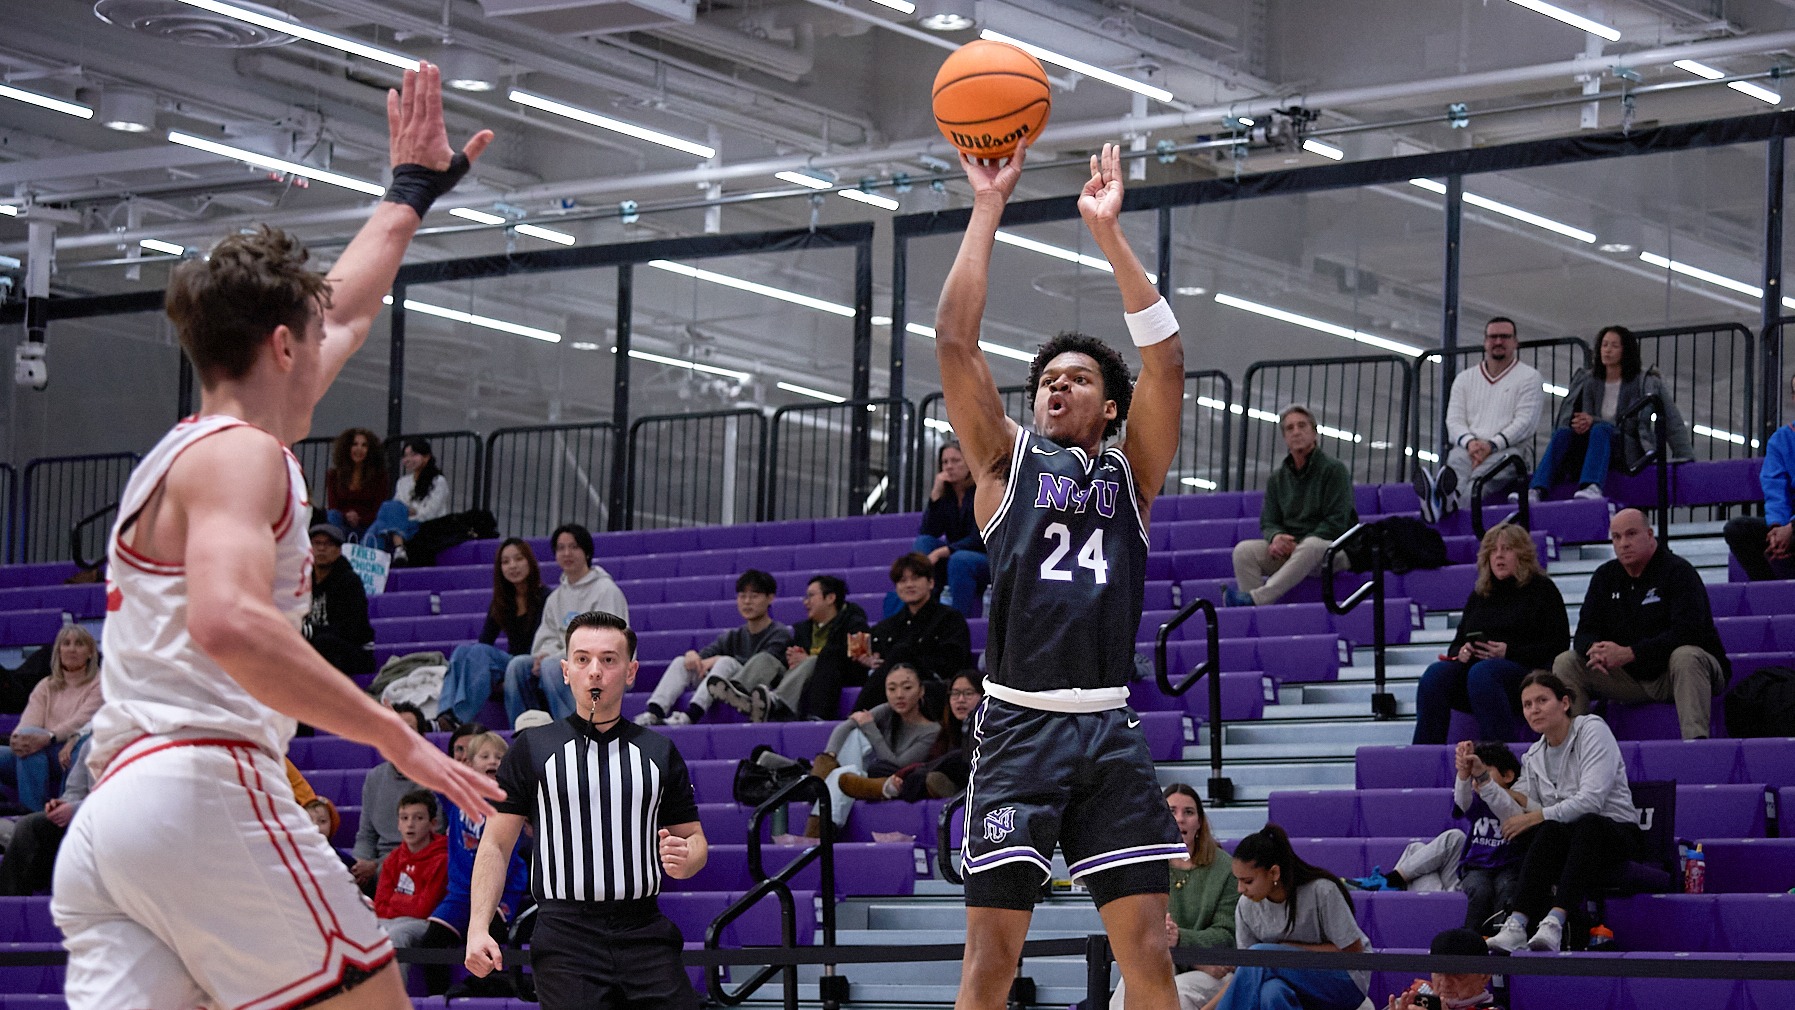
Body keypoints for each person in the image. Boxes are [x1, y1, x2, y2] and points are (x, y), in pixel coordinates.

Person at [49, 64, 501, 1010]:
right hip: (201, 790)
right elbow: (227, 622)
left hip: (114, 823)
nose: (334, 326)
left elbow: (353, 299)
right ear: (284, 347)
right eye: (314, 325)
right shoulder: (243, 457)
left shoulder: (186, 452)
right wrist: (397, 739)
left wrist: (409, 194)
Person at [939, 142, 1190, 1010]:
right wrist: (986, 207)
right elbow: (953, 340)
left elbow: (1166, 363)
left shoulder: (1133, 477)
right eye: (1045, 380)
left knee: (1149, 955)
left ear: (1108, 405)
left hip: (1108, 732)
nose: (1054, 390)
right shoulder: (1004, 466)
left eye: (1076, 380)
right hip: (1017, 728)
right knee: (990, 962)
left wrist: (1106, 233)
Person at [464, 611, 709, 1009]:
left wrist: (687, 859)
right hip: (565, 935)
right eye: (582, 659)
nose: (595, 671)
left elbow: (694, 840)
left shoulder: (659, 751)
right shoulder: (531, 749)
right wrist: (478, 927)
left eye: (609, 660)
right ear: (565, 670)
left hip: (644, 929)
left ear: (630, 671)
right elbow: (494, 844)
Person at [1479, 672, 1642, 954]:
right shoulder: (1533, 756)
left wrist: (1534, 816)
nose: (1534, 709)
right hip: (1569, 836)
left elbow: (1591, 800)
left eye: (1542, 700)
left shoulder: (1592, 729)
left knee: (1584, 823)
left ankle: (1555, 921)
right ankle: (1517, 924)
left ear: (1564, 703)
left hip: (1615, 832)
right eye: (1527, 704)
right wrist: (1483, 781)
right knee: (1550, 829)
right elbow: (1518, 808)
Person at [1553, 508, 1729, 740]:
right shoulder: (1605, 576)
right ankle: (1575, 750)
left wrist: (1631, 653)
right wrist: (1595, 649)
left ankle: (1696, 745)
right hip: (1628, 678)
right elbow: (1585, 630)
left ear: (1649, 534)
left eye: (1631, 534)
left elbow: (1689, 632)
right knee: (1566, 662)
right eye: (1616, 537)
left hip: (1676, 673)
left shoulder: (1679, 572)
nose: (1623, 543)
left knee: (1686, 655)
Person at [1412, 524, 1567, 744]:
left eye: (1506, 549)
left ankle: (1500, 753)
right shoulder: (1480, 594)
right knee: (1435, 675)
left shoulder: (1542, 589)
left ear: (1522, 554)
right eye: (1493, 551)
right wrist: (1462, 652)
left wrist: (1509, 652)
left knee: (1483, 673)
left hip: (1523, 673)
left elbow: (1557, 645)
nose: (1499, 556)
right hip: (1478, 675)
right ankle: (1425, 756)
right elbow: (1456, 644)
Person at [1349, 742, 1525, 932]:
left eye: (1484, 773)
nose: (1479, 780)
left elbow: (1510, 811)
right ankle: (1393, 879)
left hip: (1494, 876)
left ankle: (1393, 881)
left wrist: (1485, 781)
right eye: (1476, 776)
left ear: (1508, 775)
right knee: (1443, 841)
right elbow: (1462, 799)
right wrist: (1463, 775)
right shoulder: (1476, 800)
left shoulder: (1518, 801)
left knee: (1416, 851)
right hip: (1472, 874)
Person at [1198, 824, 1371, 1010]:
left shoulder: (1322, 891)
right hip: (1290, 985)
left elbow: (1353, 953)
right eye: (1237, 880)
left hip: (1345, 982)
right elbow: (1247, 974)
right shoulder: (1245, 906)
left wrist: (1286, 952)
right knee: (1272, 992)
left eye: (1248, 881)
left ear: (1274, 873)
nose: (1240, 889)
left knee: (1262, 955)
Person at [417, 731, 530, 995]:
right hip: (460, 893)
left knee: (491, 937)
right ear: (468, 765)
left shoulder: (509, 800)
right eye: (485, 756)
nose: (493, 760)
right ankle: (438, 996)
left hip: (499, 890)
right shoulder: (456, 796)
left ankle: (484, 993)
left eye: (499, 757)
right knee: (431, 942)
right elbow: (430, 770)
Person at [1526, 325, 1691, 503]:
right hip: (1592, 445)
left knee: (1600, 429)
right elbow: (1586, 417)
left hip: (1626, 448)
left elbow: (1670, 421)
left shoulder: (1645, 382)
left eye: (1614, 346)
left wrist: (1686, 457)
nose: (1607, 350)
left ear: (1626, 351)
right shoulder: (1589, 381)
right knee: (1563, 433)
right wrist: (1581, 424)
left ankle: (1592, 486)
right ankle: (1536, 489)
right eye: (1604, 345)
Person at [1110, 784, 1237, 1010]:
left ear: (1199, 822)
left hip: (1210, 968)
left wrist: (1181, 940)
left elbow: (1226, 935)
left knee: (1177, 996)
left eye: (1188, 812)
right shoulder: (1147, 865)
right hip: (1161, 959)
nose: (1180, 819)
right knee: (1127, 992)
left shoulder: (1225, 868)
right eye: (1171, 811)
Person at [1225, 404, 1356, 607]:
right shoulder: (1277, 479)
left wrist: (1299, 544)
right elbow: (1269, 521)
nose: (1296, 432)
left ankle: (1256, 600)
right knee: (1244, 551)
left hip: (1332, 549)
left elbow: (1337, 521)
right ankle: (1253, 620)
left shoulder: (1334, 470)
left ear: (1314, 433)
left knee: (1311, 546)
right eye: (1290, 428)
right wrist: (1276, 537)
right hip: (1294, 551)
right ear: (1285, 438)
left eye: (1302, 426)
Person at [1416, 317, 1544, 521]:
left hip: (1510, 451)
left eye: (1504, 337)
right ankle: (1443, 503)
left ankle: (1438, 507)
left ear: (1515, 342)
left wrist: (1491, 445)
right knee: (1456, 474)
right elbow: (1454, 421)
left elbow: (1525, 423)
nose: (1498, 341)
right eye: (1493, 337)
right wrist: (1472, 443)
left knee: (1477, 483)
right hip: (1467, 449)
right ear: (1485, 342)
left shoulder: (1530, 377)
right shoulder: (1465, 378)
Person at [502, 523, 629, 724]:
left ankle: (577, 730)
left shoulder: (606, 591)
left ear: (586, 552)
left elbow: (609, 642)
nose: (567, 553)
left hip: (601, 666)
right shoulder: (556, 598)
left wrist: (557, 657)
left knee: (554, 666)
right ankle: (526, 733)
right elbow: (546, 637)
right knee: (517, 666)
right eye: (561, 548)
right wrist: (544, 655)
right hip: (560, 660)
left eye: (574, 547)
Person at [636, 569, 791, 726]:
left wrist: (719, 659)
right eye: (742, 596)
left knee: (725, 662)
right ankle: (653, 713)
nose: (747, 601)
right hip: (723, 684)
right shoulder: (734, 635)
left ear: (770, 598)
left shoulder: (780, 633)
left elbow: (763, 664)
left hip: (758, 689)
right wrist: (693, 656)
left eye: (754, 596)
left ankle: (690, 715)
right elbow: (706, 655)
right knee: (681, 662)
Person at [802, 663, 939, 837]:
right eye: (892, 689)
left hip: (893, 781)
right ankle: (822, 784)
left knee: (859, 737)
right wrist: (828, 757)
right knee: (855, 735)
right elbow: (845, 727)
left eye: (907, 688)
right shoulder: (886, 710)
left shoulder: (931, 730)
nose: (899, 695)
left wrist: (870, 728)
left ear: (921, 691)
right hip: (861, 778)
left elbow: (897, 765)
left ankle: (815, 834)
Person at [726, 574, 868, 723]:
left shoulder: (856, 624)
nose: (806, 602)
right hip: (800, 678)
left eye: (811, 596)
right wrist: (791, 659)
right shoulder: (803, 629)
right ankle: (739, 693)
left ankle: (777, 702)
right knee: (766, 658)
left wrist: (813, 660)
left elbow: (859, 661)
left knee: (813, 661)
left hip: (834, 680)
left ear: (830, 598)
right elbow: (791, 663)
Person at [439, 538, 548, 730]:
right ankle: (444, 715)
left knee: (480, 653)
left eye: (518, 559)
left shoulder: (546, 597)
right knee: (463, 651)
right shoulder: (502, 601)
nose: (512, 566)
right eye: (506, 562)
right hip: (509, 662)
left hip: (533, 663)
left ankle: (459, 718)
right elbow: (484, 642)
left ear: (530, 562)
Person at [848, 552, 973, 711]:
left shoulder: (950, 618)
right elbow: (873, 658)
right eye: (902, 581)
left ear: (931, 583)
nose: (908, 585)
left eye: (915, 578)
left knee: (901, 653)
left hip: (934, 686)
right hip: (891, 690)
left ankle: (858, 715)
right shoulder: (888, 625)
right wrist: (869, 661)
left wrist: (910, 661)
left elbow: (953, 662)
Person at [0, 625, 102, 812]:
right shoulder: (46, 685)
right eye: (66, 644)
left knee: (32, 747)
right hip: (40, 749)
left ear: (90, 653)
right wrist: (18, 738)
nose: (71, 649)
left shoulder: (99, 683)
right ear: (58, 651)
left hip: (69, 752)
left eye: (79, 644)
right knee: (27, 741)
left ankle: (31, 815)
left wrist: (48, 737)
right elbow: (29, 722)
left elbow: (80, 721)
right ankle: (28, 815)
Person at [353, 702, 434, 891]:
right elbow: (366, 835)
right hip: (376, 861)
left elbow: (433, 838)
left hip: (417, 859)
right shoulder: (375, 777)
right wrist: (358, 864)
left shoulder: (434, 778)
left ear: (421, 737)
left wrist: (377, 866)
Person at [0, 731, 91, 895]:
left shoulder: (142, 749)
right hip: (83, 816)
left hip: (117, 823)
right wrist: (62, 803)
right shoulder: (92, 744)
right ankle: (10, 904)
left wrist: (75, 809)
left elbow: (122, 800)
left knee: (33, 756)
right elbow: (74, 790)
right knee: (29, 825)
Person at [1723, 371, 1794, 581]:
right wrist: (1777, 527)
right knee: (1737, 530)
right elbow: (1775, 490)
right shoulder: (1781, 439)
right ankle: (1770, 591)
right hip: (1787, 522)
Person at [914, 441, 989, 615]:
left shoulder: (983, 490)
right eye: (945, 462)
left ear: (970, 463)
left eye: (956, 461)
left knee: (960, 560)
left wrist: (942, 552)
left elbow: (979, 538)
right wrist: (935, 495)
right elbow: (929, 531)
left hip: (985, 558)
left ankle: (957, 620)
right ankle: (923, 612)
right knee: (923, 543)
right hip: (957, 555)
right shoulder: (947, 494)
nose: (949, 467)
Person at [374, 789, 449, 948]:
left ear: (433, 824)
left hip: (424, 923)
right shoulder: (393, 859)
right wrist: (407, 904)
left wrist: (395, 899)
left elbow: (424, 909)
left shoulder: (442, 859)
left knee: (398, 935)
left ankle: (397, 974)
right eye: (404, 818)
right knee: (363, 932)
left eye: (419, 818)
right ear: (398, 824)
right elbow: (379, 907)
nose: (410, 824)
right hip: (390, 920)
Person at [894, 670, 983, 801]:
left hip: (977, 785)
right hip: (926, 775)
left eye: (968, 693)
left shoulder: (990, 729)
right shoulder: (946, 729)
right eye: (955, 694)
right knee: (879, 768)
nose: (960, 700)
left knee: (958, 758)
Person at [304, 521, 375, 676]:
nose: (321, 549)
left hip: (354, 652)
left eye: (328, 544)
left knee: (323, 643)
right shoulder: (303, 579)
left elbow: (350, 630)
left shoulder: (349, 581)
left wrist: (309, 631)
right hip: (315, 646)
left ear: (338, 550)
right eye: (316, 543)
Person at [365, 437, 451, 563]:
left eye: (414, 455)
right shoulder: (402, 482)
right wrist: (404, 512)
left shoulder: (438, 481)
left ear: (426, 457)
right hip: (404, 525)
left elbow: (429, 513)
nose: (408, 459)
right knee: (385, 515)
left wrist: (405, 513)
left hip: (427, 526)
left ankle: (367, 555)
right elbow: (395, 507)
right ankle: (398, 549)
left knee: (384, 519)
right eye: (405, 456)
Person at [1385, 928, 1500, 1010]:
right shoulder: (1409, 1001)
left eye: (1457, 974)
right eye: (1439, 972)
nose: (1445, 982)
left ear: (1484, 976)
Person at [325, 426, 387, 537]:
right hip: (342, 525)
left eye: (364, 445)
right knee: (332, 515)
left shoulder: (379, 476)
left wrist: (359, 518)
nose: (359, 449)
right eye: (355, 444)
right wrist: (347, 516)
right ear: (347, 448)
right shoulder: (333, 475)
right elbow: (333, 507)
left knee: (381, 523)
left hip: (368, 527)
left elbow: (379, 508)